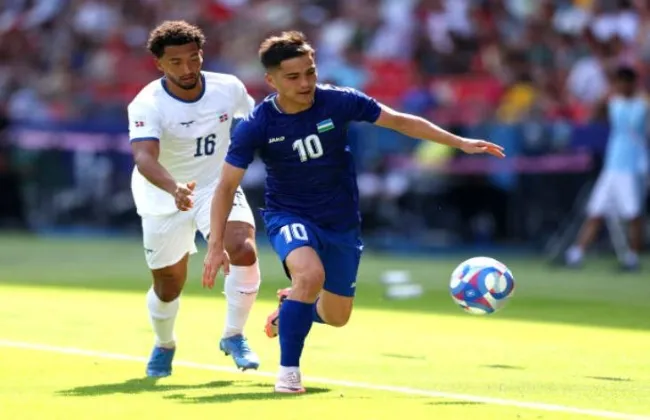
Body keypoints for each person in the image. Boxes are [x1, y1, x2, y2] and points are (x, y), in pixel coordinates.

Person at [201, 31, 504, 393]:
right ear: (271, 80)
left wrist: (459, 142)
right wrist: (215, 244)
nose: (305, 83)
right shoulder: (258, 124)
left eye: (310, 73)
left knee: (337, 316)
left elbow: (400, 121)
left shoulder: (339, 101)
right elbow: (225, 187)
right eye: (293, 77)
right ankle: (288, 373)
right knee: (309, 275)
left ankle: (292, 308)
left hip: (341, 222)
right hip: (289, 215)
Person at [127, 20, 262, 377]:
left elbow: (255, 123)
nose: (187, 68)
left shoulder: (228, 87)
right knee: (168, 284)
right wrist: (174, 188)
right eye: (176, 62)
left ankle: (234, 335)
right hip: (164, 195)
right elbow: (144, 158)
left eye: (194, 58)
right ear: (159, 64)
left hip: (215, 186)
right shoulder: (147, 103)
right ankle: (164, 343)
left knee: (243, 247)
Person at [565, 66, 648, 271]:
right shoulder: (614, 102)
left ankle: (632, 257)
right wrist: (603, 96)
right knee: (596, 211)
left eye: (623, 82)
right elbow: (594, 116)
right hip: (612, 167)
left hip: (632, 167)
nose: (619, 86)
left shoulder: (643, 105)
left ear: (631, 83)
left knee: (633, 214)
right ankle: (575, 254)